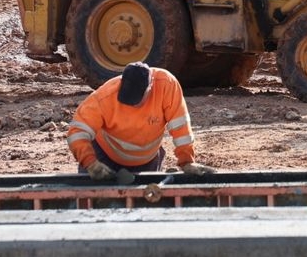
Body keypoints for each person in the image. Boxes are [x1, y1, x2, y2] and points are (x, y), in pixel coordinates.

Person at [66, 61, 215, 180]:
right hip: (105, 156)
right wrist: (90, 163)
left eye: (137, 101)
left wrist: (187, 161)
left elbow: (181, 128)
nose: (132, 105)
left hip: (147, 162)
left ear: (150, 87)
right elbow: (77, 132)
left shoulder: (166, 85)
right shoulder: (105, 97)